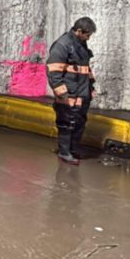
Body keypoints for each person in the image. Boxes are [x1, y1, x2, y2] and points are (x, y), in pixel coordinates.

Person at [46, 17, 97, 165]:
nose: (89, 38)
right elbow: (54, 71)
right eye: (87, 35)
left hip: (81, 94)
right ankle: (64, 152)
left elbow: (86, 69)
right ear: (79, 31)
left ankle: (73, 150)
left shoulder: (81, 45)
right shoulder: (63, 45)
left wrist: (91, 87)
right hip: (69, 95)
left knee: (79, 123)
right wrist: (62, 94)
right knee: (66, 123)